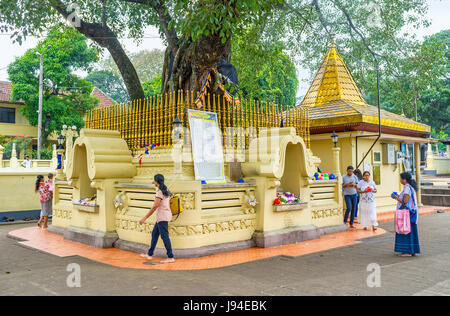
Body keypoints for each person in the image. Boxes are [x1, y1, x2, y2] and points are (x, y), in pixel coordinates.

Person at [139, 174, 175, 263]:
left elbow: (155, 206)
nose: (153, 182)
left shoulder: (160, 192)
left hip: (162, 217)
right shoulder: (165, 190)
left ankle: (170, 257)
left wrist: (144, 218)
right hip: (163, 216)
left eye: (154, 180)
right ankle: (150, 254)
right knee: (155, 234)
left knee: (164, 237)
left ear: (157, 182)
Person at [391, 172, 421, 257]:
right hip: (412, 213)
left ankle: (407, 251)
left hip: (407, 214)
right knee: (411, 231)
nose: (400, 180)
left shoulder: (407, 188)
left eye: (401, 178)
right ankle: (412, 250)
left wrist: (396, 197)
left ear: (404, 179)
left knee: (405, 230)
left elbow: (405, 202)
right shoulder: (410, 187)